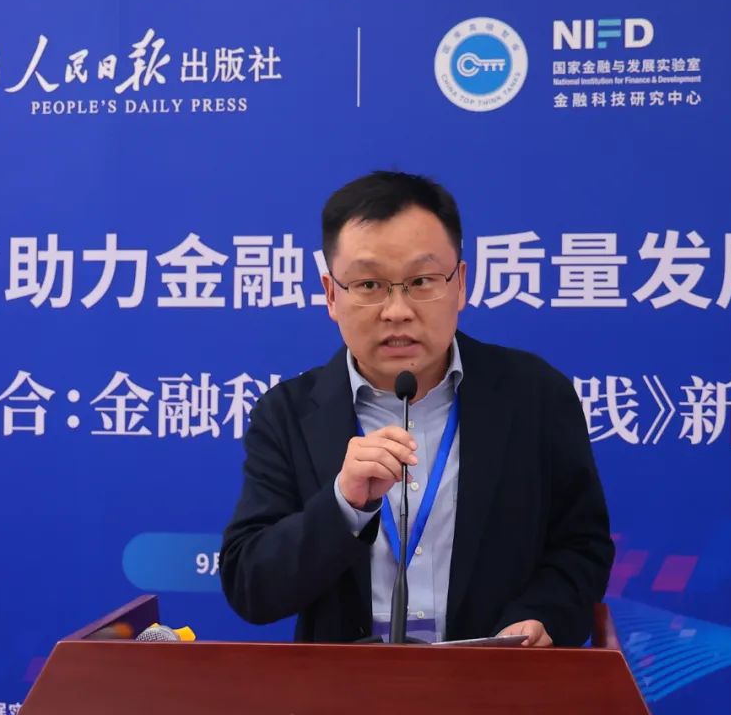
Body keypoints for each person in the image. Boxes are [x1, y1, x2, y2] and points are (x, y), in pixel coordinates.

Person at [220, 171, 614, 646]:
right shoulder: (287, 415)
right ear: (331, 294)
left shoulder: (536, 396)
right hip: (346, 685)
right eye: (369, 284)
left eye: (421, 281)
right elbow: (251, 586)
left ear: (460, 283)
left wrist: (541, 617)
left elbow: (581, 546)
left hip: (497, 679)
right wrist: (344, 504)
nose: (397, 311)